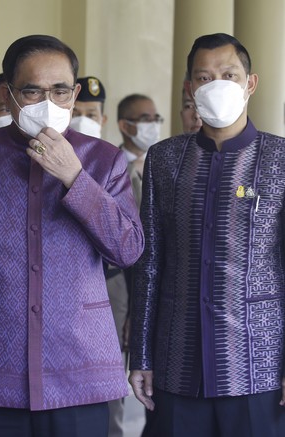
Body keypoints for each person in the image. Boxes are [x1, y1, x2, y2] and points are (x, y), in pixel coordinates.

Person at [0, 34, 144, 437]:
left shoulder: (103, 159)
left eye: (59, 90)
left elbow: (127, 248)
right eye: (32, 90)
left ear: (74, 94)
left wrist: (75, 178)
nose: (47, 102)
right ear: (8, 96)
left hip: (80, 373)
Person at [129, 32, 285, 437]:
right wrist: (141, 355)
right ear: (189, 88)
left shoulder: (280, 160)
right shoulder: (164, 159)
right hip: (177, 363)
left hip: (257, 366)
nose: (216, 85)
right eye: (203, 77)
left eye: (229, 74)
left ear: (250, 84)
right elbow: (150, 263)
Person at [69, 75, 126, 437]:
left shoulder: (113, 164)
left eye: (91, 113)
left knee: (109, 393)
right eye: (77, 111)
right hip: (69, 294)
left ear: (103, 120)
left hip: (112, 288)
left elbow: (133, 247)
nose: (83, 118)